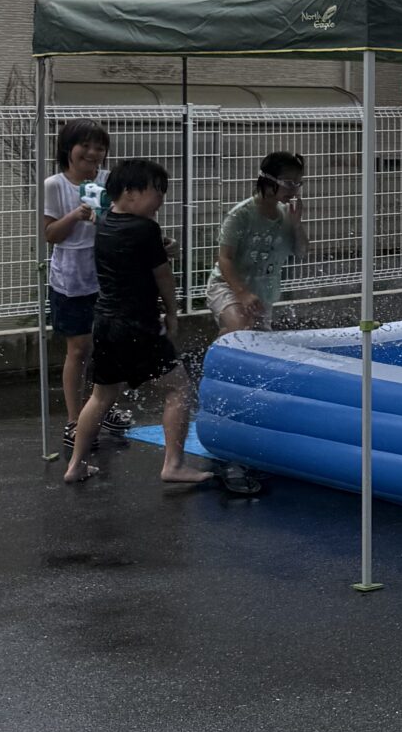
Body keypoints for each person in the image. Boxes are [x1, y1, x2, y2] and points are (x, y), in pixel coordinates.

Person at [64, 159, 209, 487]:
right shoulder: (146, 229)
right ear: (129, 192)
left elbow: (141, 254)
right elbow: (162, 275)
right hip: (136, 326)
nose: (161, 200)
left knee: (101, 396)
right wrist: (172, 311)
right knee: (178, 388)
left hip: (105, 323)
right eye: (156, 192)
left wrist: (161, 247)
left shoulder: (105, 223)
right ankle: (173, 465)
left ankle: (76, 465)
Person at [42, 119, 110, 431]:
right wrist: (75, 214)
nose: (93, 153)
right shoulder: (55, 184)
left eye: (100, 147)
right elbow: (50, 234)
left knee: (108, 345)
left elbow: (122, 224)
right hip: (69, 279)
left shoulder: (111, 180)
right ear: (68, 148)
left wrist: (103, 220)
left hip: (106, 275)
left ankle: (103, 409)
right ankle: (74, 420)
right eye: (86, 145)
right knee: (79, 348)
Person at [205, 152, 308, 333]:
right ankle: (215, 358)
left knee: (255, 341)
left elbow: (301, 253)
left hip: (261, 292)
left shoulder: (287, 215)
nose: (295, 190)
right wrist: (242, 293)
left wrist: (297, 226)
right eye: (289, 183)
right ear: (268, 181)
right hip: (228, 286)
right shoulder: (241, 215)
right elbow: (224, 258)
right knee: (241, 325)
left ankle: (221, 352)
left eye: (298, 183)